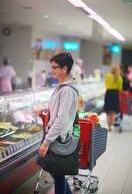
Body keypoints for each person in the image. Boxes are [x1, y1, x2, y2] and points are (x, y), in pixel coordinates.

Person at [38, 52, 78, 194]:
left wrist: (46, 142)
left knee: (58, 174)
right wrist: (45, 109)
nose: (52, 70)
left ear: (65, 69)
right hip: (56, 135)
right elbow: (59, 110)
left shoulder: (67, 90)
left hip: (58, 138)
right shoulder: (62, 86)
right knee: (57, 174)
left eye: (55, 67)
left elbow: (61, 119)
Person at [104, 64, 123, 131]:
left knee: (108, 111)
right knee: (113, 111)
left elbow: (105, 85)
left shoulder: (107, 76)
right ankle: (111, 125)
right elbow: (120, 89)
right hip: (115, 94)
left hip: (108, 93)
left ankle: (108, 126)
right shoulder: (119, 78)